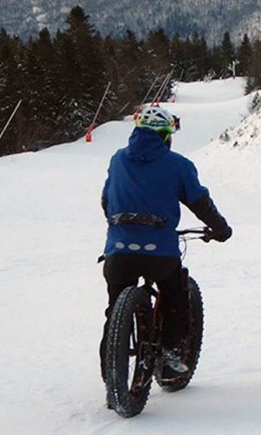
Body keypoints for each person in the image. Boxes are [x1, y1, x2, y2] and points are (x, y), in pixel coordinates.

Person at [100, 105, 232, 381]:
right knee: (175, 294)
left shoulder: (117, 160)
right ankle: (171, 355)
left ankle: (111, 371)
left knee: (115, 310)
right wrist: (220, 228)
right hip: (159, 252)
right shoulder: (178, 165)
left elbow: (106, 201)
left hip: (119, 251)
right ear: (165, 136)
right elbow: (199, 202)